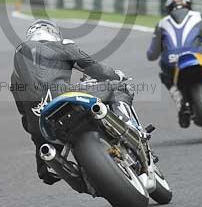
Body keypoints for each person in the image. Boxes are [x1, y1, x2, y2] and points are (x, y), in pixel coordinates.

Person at [10, 19, 125, 185]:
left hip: (41, 120)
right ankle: (124, 124)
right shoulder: (63, 45)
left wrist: (42, 163)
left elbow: (25, 117)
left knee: (42, 143)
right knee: (118, 87)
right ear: (54, 34)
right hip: (66, 97)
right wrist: (115, 76)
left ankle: (54, 165)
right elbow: (97, 69)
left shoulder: (15, 74)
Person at [146, 0, 202, 128]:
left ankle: (180, 101)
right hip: (199, 55)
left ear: (168, 7)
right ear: (188, 3)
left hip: (173, 61)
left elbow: (151, 55)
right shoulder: (199, 16)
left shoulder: (161, 24)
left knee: (164, 71)